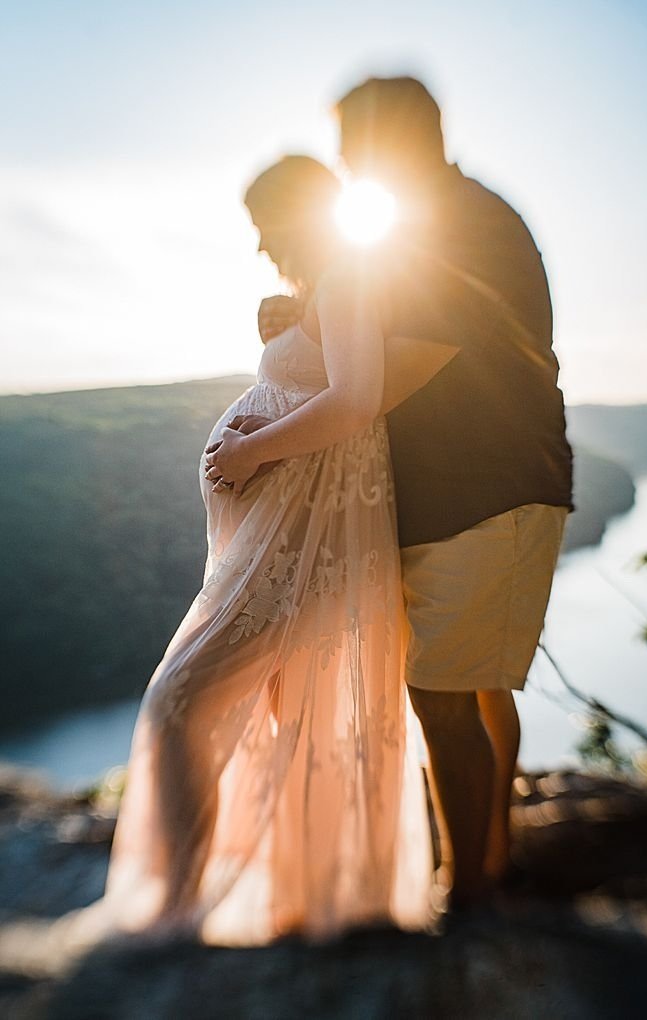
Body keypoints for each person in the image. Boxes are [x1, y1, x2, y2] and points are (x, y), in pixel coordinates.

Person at [60, 154, 436, 952]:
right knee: (255, 714)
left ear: (303, 216)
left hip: (305, 555)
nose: (263, 245)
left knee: (181, 702)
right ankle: (249, 890)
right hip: (280, 547)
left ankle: (179, 909)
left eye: (268, 226)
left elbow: (355, 399)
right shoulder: (326, 288)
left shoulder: (346, 279)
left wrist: (251, 452)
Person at [254, 77, 574, 908]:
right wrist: (303, 315)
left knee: (445, 694)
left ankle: (467, 896)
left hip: (491, 488)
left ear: (398, 138)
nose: (348, 164)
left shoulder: (463, 225)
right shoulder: (426, 225)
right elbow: (380, 334)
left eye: (355, 147)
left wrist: (272, 429)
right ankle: (493, 863)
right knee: (471, 684)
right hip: (455, 490)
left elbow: (390, 374)